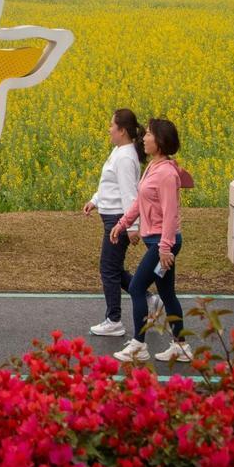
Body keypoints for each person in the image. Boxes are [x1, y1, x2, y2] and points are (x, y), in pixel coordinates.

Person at [109, 118, 195, 363]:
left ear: (160, 141)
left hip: (162, 243)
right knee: (167, 294)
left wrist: (166, 248)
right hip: (157, 241)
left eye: (148, 134)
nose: (143, 138)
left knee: (136, 287)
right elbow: (139, 201)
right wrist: (122, 224)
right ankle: (181, 346)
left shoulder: (166, 173)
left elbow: (171, 213)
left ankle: (139, 344)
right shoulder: (155, 167)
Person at [82, 108, 157, 337]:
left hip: (118, 221)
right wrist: (95, 200)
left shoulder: (125, 156)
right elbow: (109, 185)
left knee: (108, 269)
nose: (109, 129)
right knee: (113, 268)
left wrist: (131, 227)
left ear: (122, 131)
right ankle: (150, 299)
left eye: (112, 126)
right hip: (113, 217)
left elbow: (129, 193)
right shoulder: (120, 151)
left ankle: (114, 320)